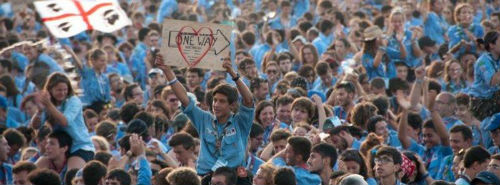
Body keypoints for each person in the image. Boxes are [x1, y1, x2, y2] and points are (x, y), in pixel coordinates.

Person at [156, 55, 254, 175]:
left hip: (234, 178)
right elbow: (185, 99)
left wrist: (233, 74)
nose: (216, 105)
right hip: (206, 177)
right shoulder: (204, 119)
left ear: (232, 105)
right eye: (215, 100)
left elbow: (249, 100)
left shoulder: (240, 122)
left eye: (222, 101)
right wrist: (167, 71)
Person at [33, 73, 95, 170]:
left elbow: (65, 122)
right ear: (50, 90)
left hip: (78, 146)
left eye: (65, 90)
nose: (62, 93)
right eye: (59, 90)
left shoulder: (73, 101)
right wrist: (39, 111)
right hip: (58, 148)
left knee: (72, 176)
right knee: (33, 173)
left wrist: (48, 105)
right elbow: (36, 126)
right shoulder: (49, 103)